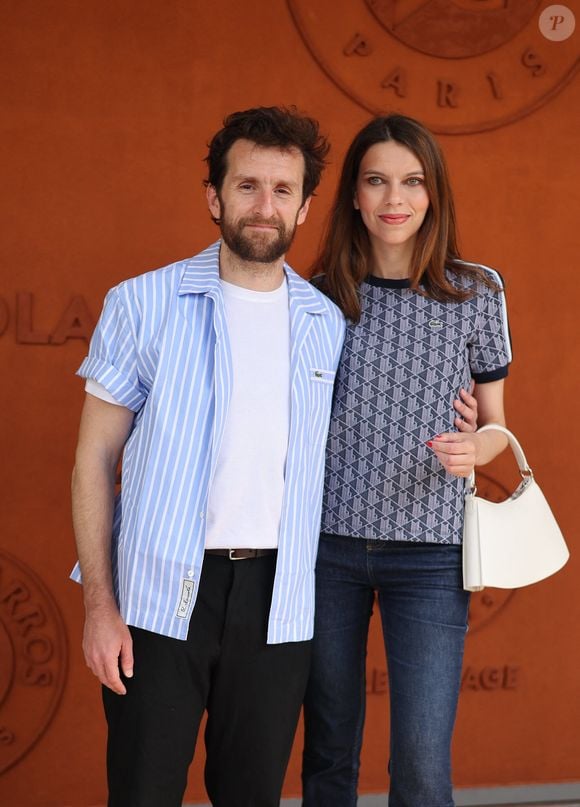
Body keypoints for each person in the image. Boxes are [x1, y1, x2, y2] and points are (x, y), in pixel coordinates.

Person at [70, 106, 345, 807]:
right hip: (156, 599)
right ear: (214, 197)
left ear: (306, 206)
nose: (264, 204)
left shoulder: (325, 324)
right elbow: (94, 458)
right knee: (142, 792)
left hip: (276, 602)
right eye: (247, 185)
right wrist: (100, 605)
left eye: (283, 190)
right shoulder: (142, 303)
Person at [302, 114, 512, 807]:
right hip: (324, 546)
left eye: (412, 180)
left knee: (421, 763)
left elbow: (497, 432)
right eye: (377, 180)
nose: (395, 197)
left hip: (429, 552)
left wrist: (474, 446)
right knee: (329, 751)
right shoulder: (320, 294)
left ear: (433, 193)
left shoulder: (476, 291)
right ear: (354, 196)